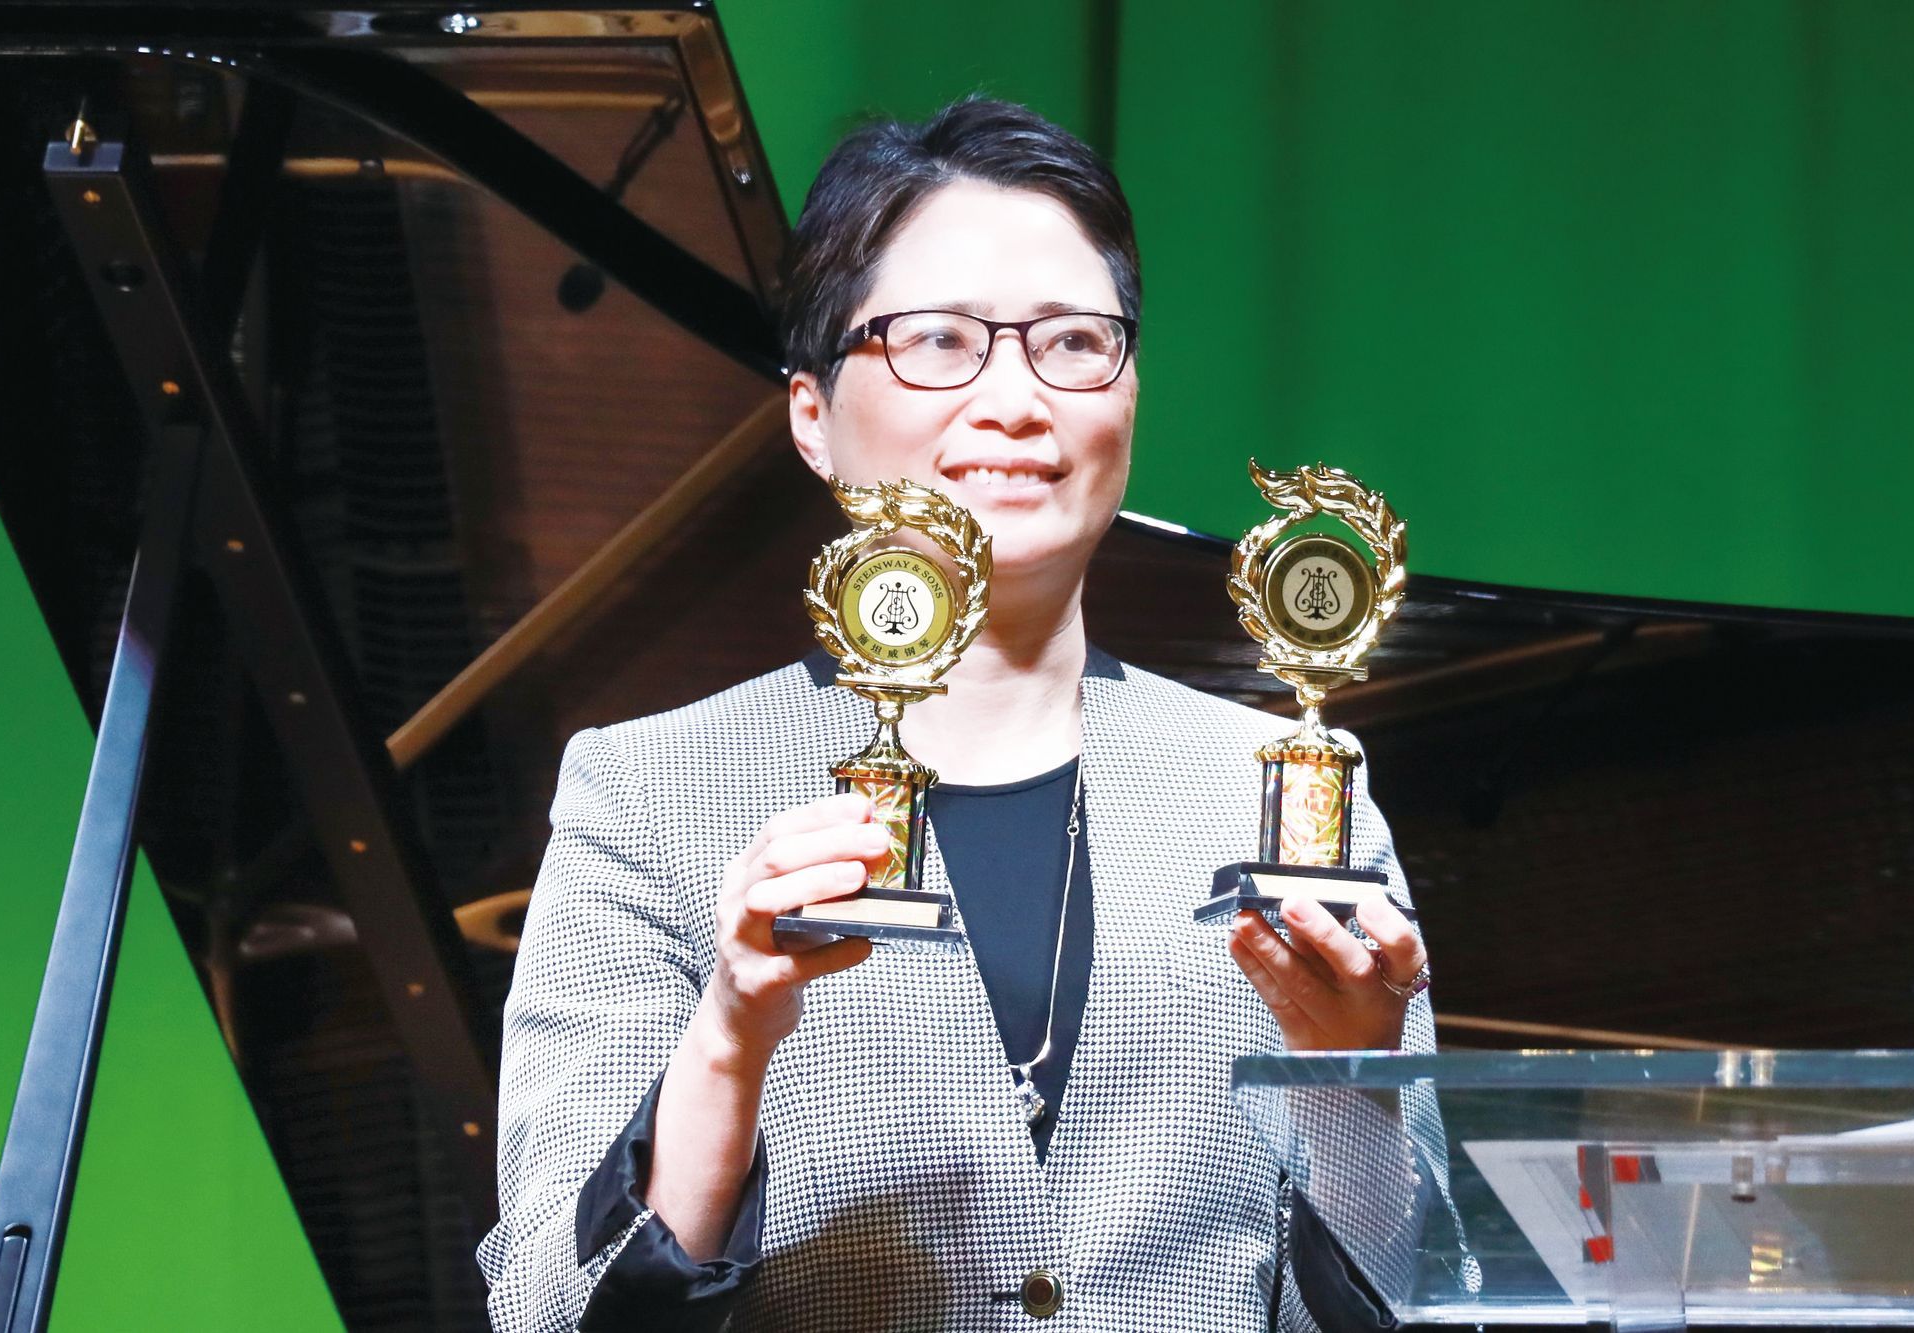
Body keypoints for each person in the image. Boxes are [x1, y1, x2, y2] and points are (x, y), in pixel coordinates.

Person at [475, 98, 1435, 1332]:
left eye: (1073, 341)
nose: (1016, 399)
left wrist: (1348, 1083)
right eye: (937, 340)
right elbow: (547, 1309)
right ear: (811, 415)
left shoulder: (1288, 788)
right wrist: (729, 1034)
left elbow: (1419, 1294)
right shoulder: (646, 793)